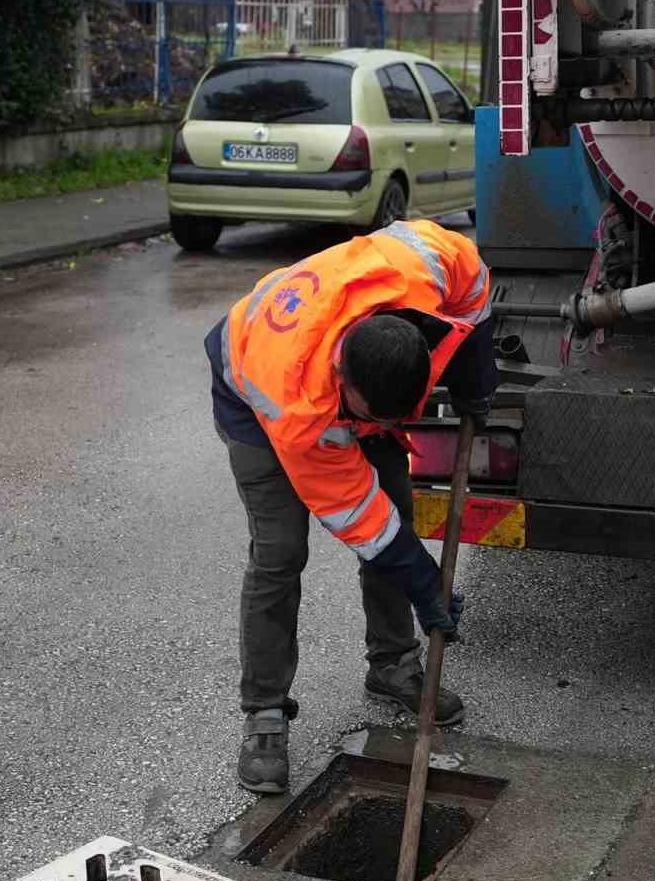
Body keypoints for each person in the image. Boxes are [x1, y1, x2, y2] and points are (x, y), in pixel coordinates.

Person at [205, 219, 497, 794]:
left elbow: (474, 281)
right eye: (372, 420)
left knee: (398, 507)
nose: (383, 431)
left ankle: (392, 663)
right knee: (280, 553)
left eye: (393, 418)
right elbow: (361, 519)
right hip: (252, 390)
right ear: (343, 377)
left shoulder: (424, 268)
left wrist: (474, 371)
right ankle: (264, 712)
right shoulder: (299, 405)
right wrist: (425, 581)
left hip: (345, 373)